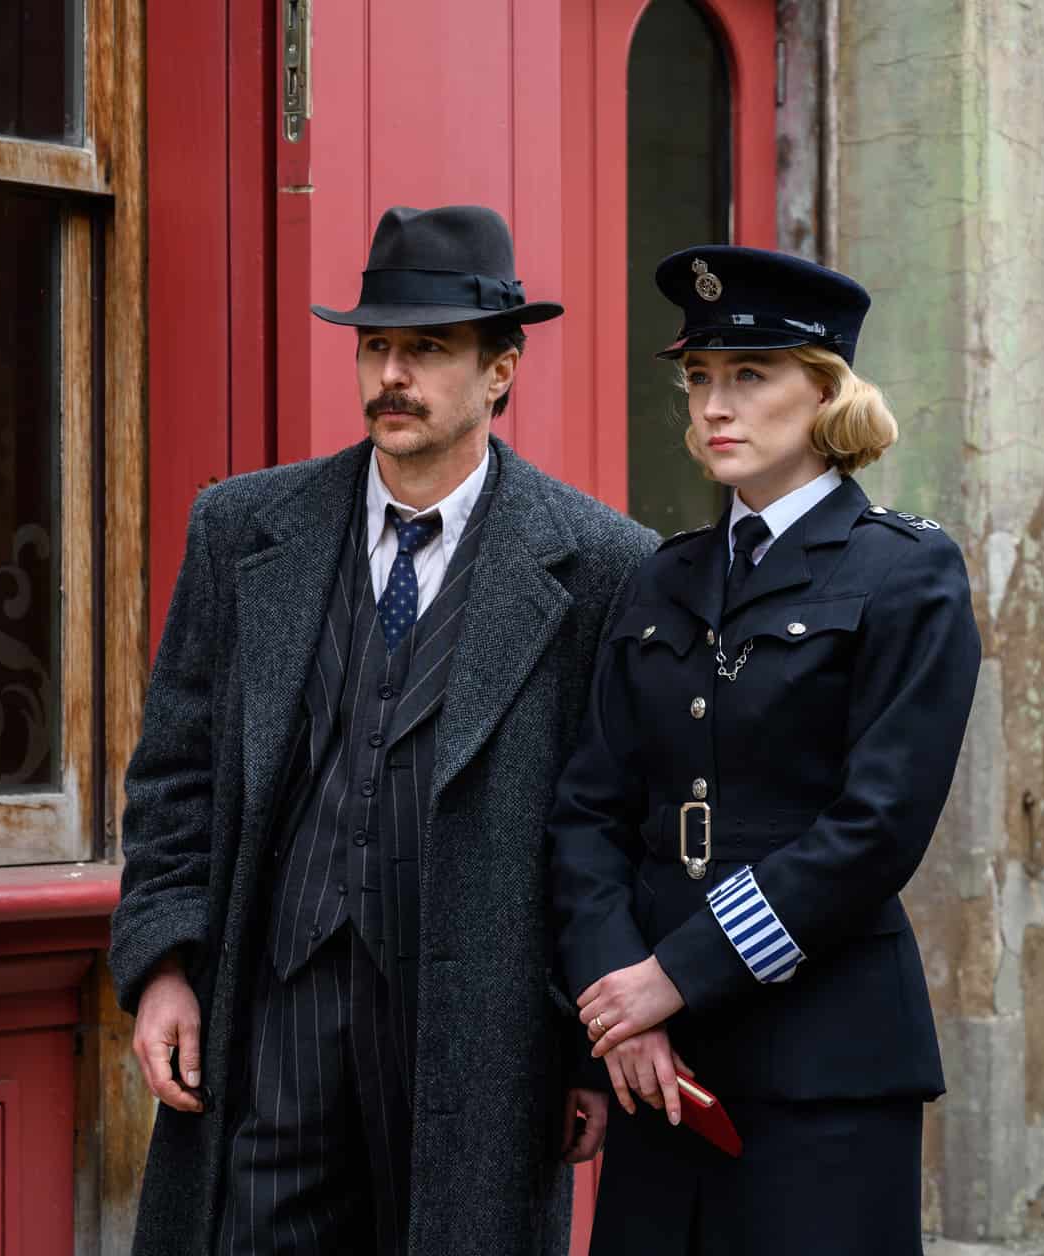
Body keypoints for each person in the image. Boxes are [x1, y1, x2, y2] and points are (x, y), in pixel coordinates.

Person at [109, 205, 656, 1256]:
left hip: (482, 1033)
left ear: (500, 371)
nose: (391, 374)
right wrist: (163, 963)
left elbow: (612, 823)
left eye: (428, 348)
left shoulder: (598, 562)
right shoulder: (242, 529)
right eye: (376, 345)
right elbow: (173, 767)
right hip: (277, 1005)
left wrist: (586, 1047)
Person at [549, 245, 981, 1253]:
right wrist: (624, 1002)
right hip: (659, 1064)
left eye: (749, 375)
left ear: (825, 391)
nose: (713, 404)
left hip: (822, 1059)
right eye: (698, 377)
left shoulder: (906, 574)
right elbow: (588, 808)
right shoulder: (660, 578)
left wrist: (677, 970)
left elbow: (875, 828)